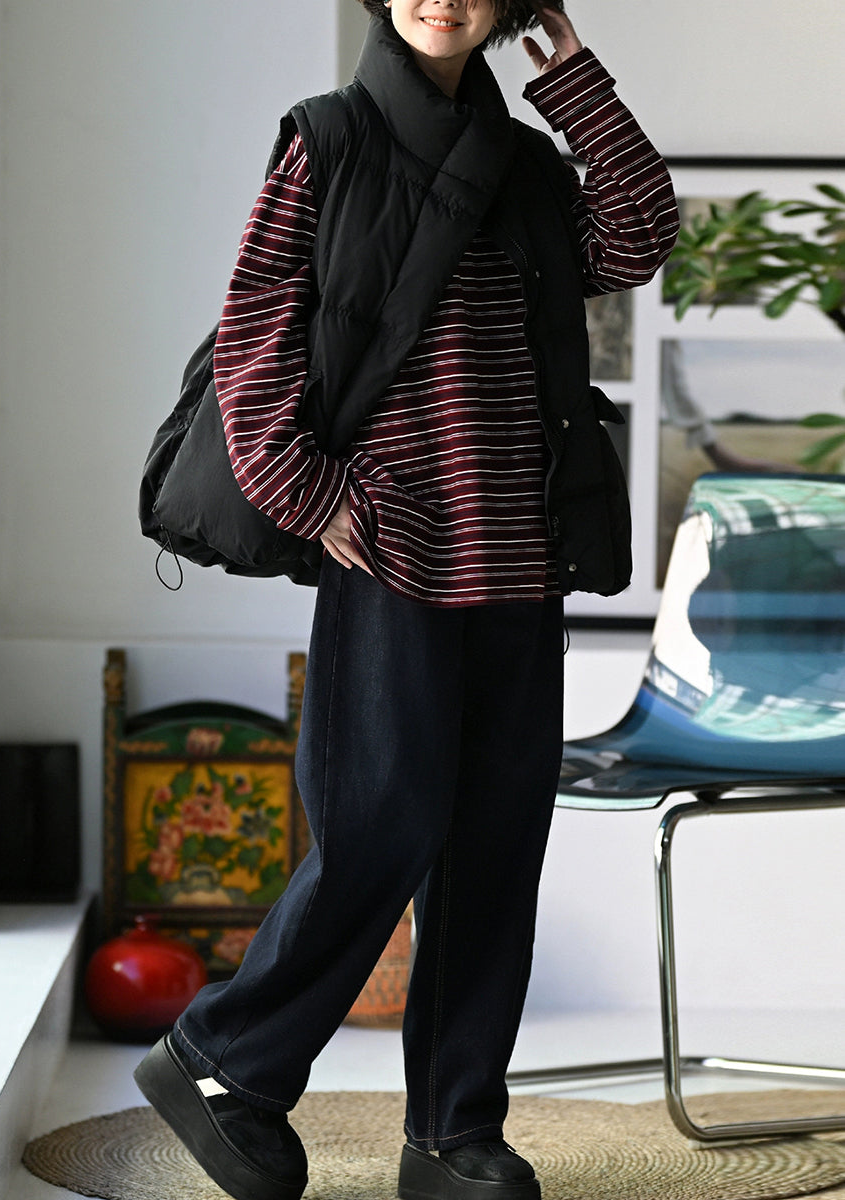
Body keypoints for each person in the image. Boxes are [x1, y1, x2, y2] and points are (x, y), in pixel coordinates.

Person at [134, 2, 679, 1198]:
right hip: (392, 556)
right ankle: (223, 1061)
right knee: (379, 826)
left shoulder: (526, 163)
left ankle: (453, 1136)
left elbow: (639, 233)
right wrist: (311, 495)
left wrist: (575, 77)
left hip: (524, 554)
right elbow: (254, 340)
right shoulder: (327, 139)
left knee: (494, 855)